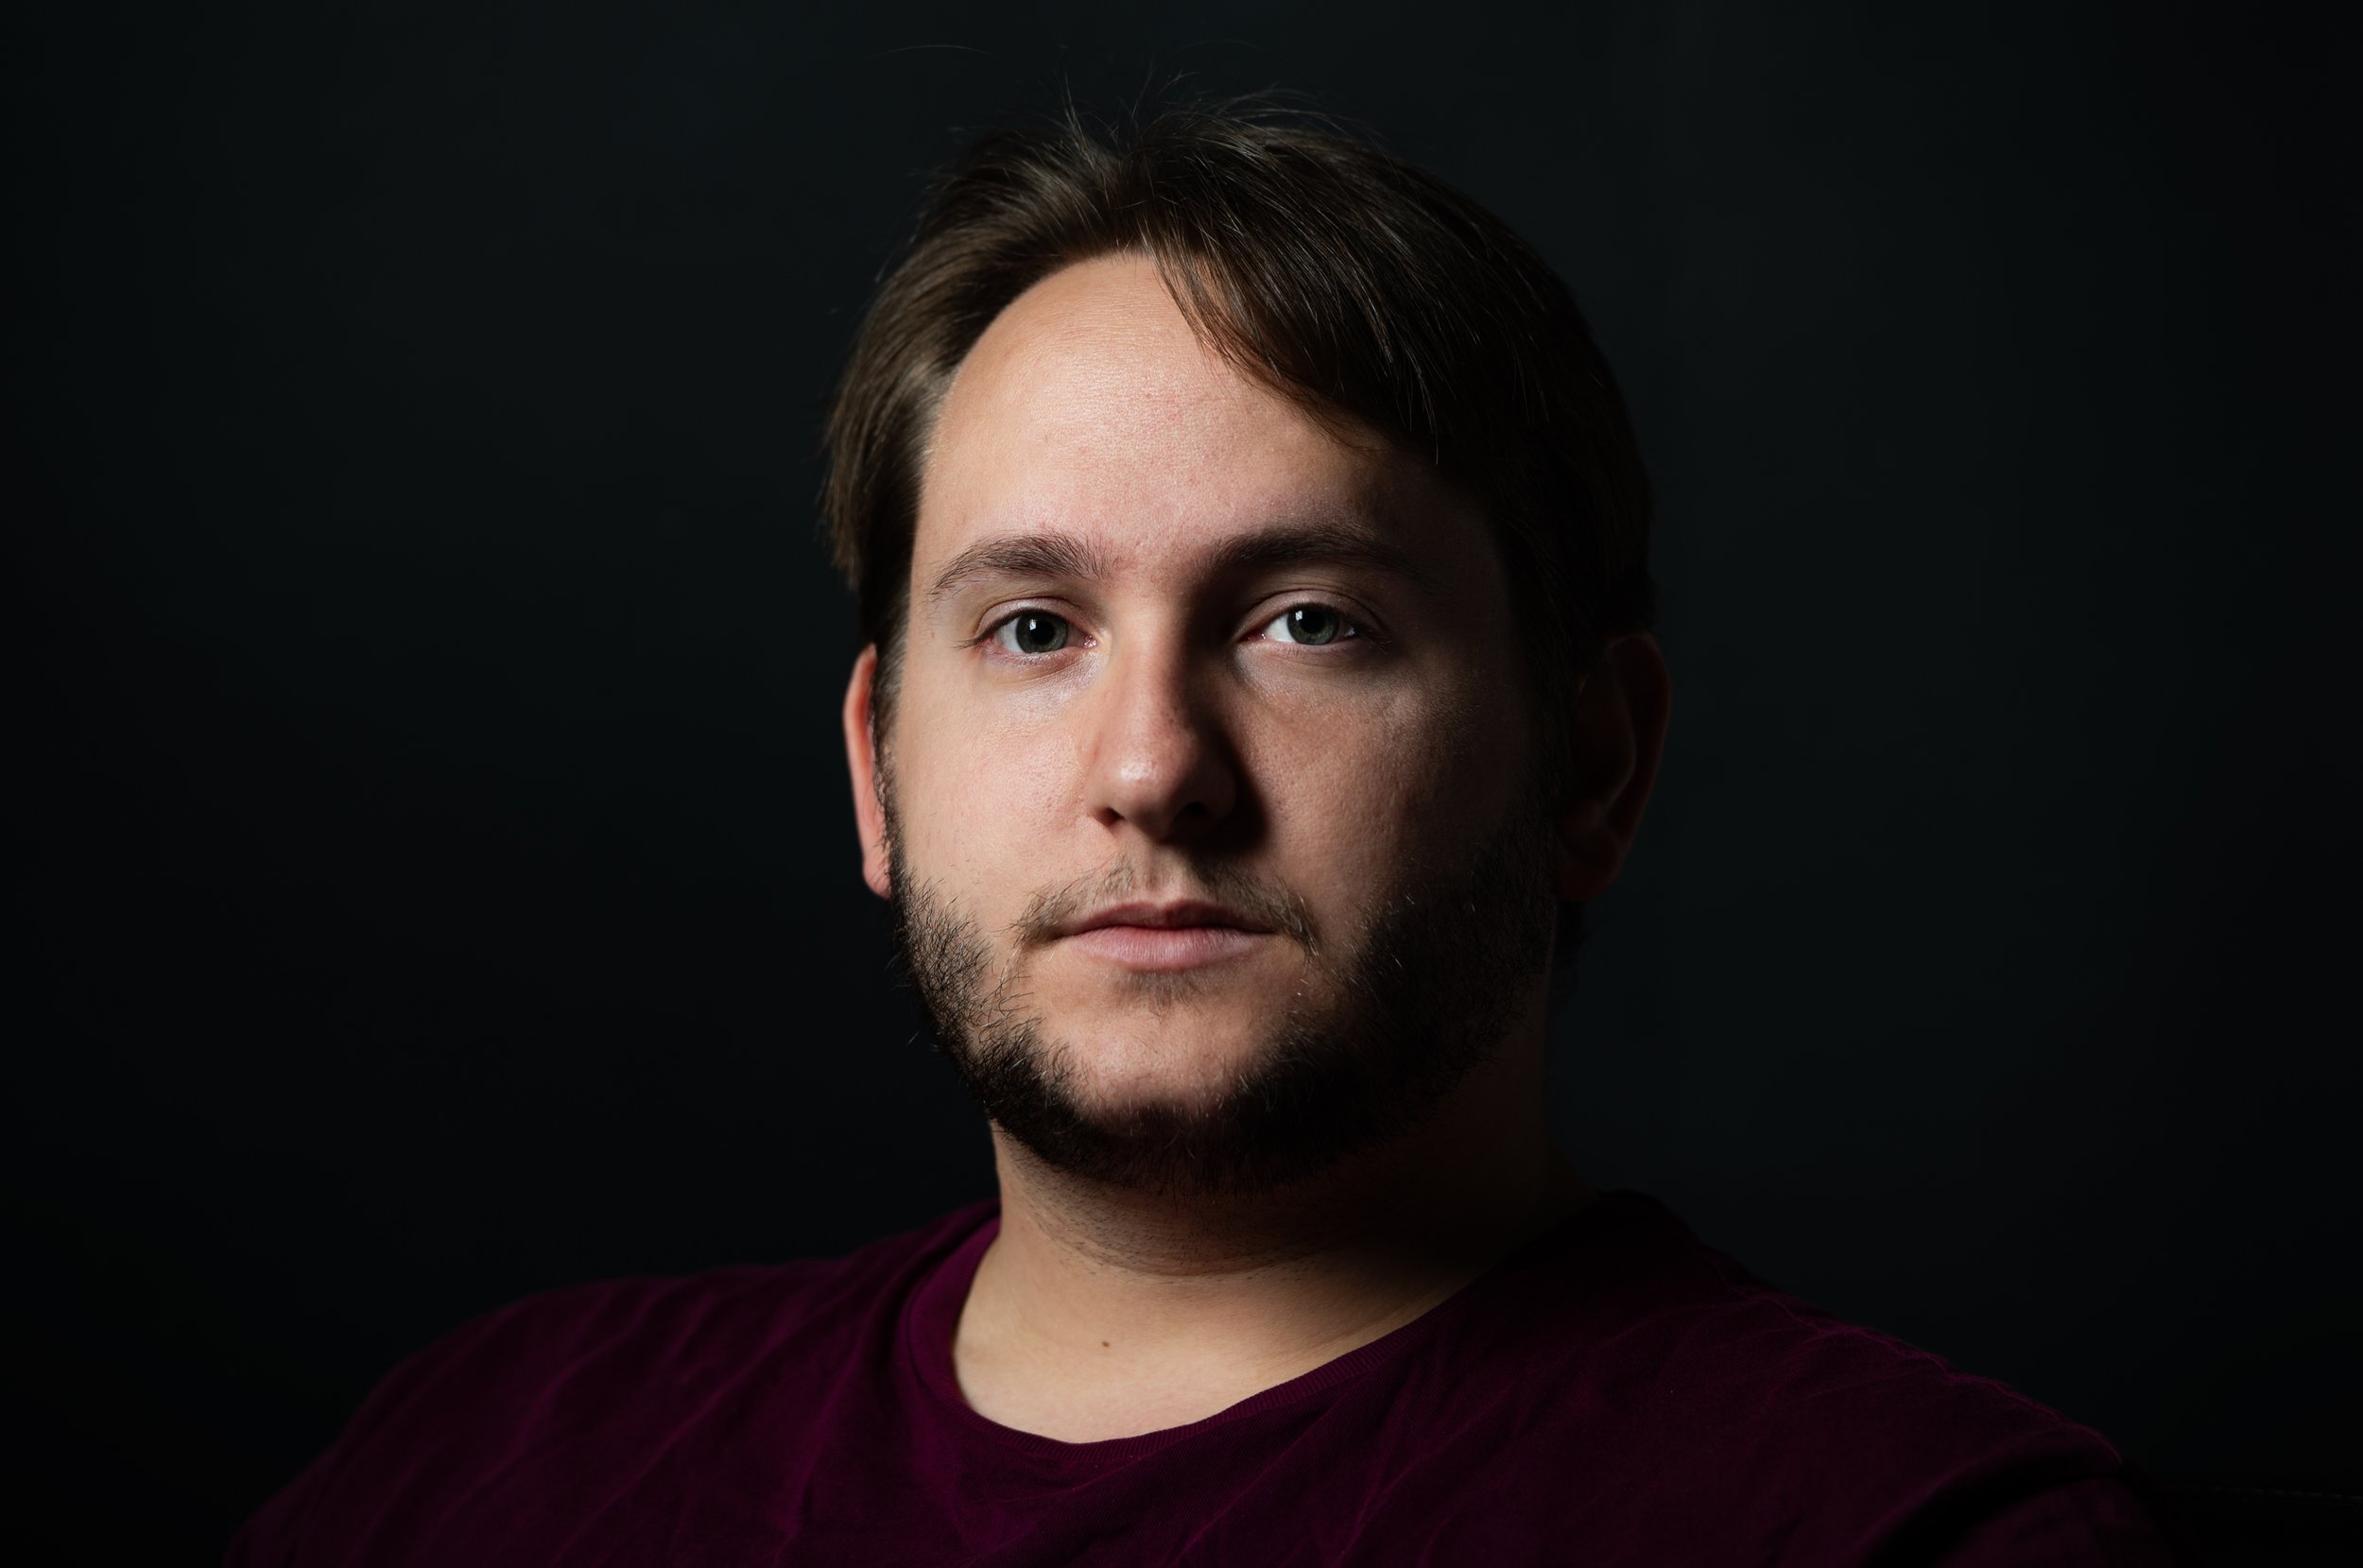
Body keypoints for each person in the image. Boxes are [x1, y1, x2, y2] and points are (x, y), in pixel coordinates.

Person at [229, 98, 2195, 1565]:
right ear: (875, 768)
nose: (1152, 765)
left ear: (1589, 757)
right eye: (1029, 628)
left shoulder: (1901, 1531)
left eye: (1304, 621)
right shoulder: (489, 1461)